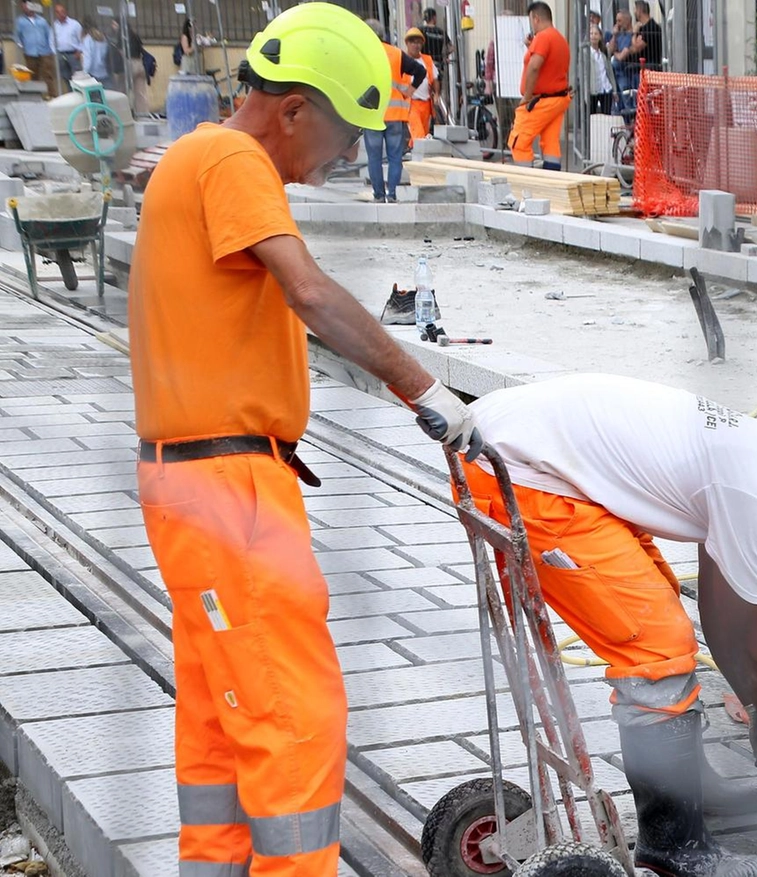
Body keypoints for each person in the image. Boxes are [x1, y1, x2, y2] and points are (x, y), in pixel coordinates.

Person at [129, 5, 481, 876]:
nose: (347, 154)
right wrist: (428, 391)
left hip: (192, 486)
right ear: (291, 109)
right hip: (230, 489)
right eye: (343, 131)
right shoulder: (231, 157)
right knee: (294, 719)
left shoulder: (196, 160)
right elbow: (313, 295)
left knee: (221, 727)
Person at [462, 375, 757, 877]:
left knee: (666, 619)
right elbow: (750, 647)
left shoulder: (754, 457)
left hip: (520, 447)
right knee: (656, 650)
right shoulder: (753, 494)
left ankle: (685, 786)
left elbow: (725, 628)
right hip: (518, 471)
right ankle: (674, 846)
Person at [363, 18, 424, 202]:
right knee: (394, 158)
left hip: (372, 115)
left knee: (374, 157)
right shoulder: (396, 54)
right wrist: (410, 91)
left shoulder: (363, 56)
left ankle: (379, 196)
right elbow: (420, 71)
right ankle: (393, 194)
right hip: (395, 115)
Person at [508, 1, 569, 170]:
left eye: (531, 21)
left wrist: (526, 97)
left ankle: (525, 184)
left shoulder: (543, 37)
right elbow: (551, 66)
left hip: (540, 100)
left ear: (536, 18)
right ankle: (552, 181)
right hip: (558, 99)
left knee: (519, 141)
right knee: (550, 143)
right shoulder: (560, 39)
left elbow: (535, 66)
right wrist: (531, 48)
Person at [14, 2, 58, 97]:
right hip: (30, 52)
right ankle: (37, 95)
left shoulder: (42, 21)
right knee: (33, 75)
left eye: (27, 5)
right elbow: (17, 35)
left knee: (48, 74)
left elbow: (49, 35)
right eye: (23, 6)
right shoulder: (20, 21)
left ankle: (52, 94)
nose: (26, 8)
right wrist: (21, 44)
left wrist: (51, 48)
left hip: (45, 51)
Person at [404, 27, 437, 140]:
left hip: (426, 105)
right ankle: (418, 156)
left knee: (423, 135)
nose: (416, 45)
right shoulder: (403, 60)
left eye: (418, 42)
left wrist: (436, 94)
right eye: (413, 42)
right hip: (411, 104)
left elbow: (435, 78)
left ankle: (416, 154)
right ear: (407, 43)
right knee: (419, 136)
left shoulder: (427, 60)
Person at [51, 1, 82, 87]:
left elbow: (81, 40)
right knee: (65, 76)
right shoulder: (54, 26)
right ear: (55, 13)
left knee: (77, 75)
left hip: (73, 54)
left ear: (66, 11)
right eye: (58, 12)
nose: (61, 14)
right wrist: (55, 53)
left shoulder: (75, 24)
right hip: (60, 55)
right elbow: (51, 41)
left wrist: (79, 51)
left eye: (62, 11)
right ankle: (71, 93)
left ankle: (79, 94)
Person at [585, 23, 612, 115]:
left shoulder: (604, 52)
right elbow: (584, 74)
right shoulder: (586, 53)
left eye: (596, 34)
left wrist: (614, 89)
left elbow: (610, 72)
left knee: (606, 116)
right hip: (593, 90)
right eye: (591, 34)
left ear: (600, 36)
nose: (593, 36)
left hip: (606, 88)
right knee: (592, 117)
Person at [628, 0, 661, 74]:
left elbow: (636, 47)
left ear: (639, 11)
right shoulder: (641, 27)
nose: (634, 12)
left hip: (650, 68)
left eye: (635, 9)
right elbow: (633, 47)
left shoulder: (651, 27)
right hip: (641, 67)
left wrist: (634, 33)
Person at [609, 8, 634, 103]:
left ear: (627, 20)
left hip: (625, 73)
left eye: (619, 20)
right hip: (616, 74)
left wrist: (615, 53)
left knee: (627, 98)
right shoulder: (619, 35)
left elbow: (621, 57)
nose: (617, 23)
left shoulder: (631, 35)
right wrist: (614, 35)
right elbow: (610, 50)